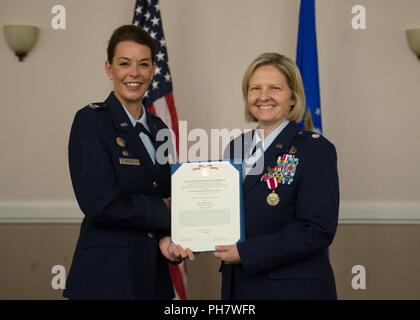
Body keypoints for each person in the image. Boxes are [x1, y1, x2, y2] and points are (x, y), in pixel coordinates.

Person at [64, 25, 192, 300]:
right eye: (124, 64)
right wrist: (164, 209)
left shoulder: (160, 130)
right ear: (109, 69)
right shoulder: (91, 121)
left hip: (152, 278)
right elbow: (100, 204)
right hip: (106, 277)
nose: (134, 73)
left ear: (153, 70)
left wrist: (168, 238)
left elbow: (166, 195)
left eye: (143, 64)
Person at [215, 53, 339, 299]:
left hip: (290, 290)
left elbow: (316, 230)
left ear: (293, 98)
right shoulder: (236, 147)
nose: (263, 96)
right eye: (255, 88)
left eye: (275, 88)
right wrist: (191, 237)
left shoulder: (315, 149)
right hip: (239, 286)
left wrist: (247, 253)